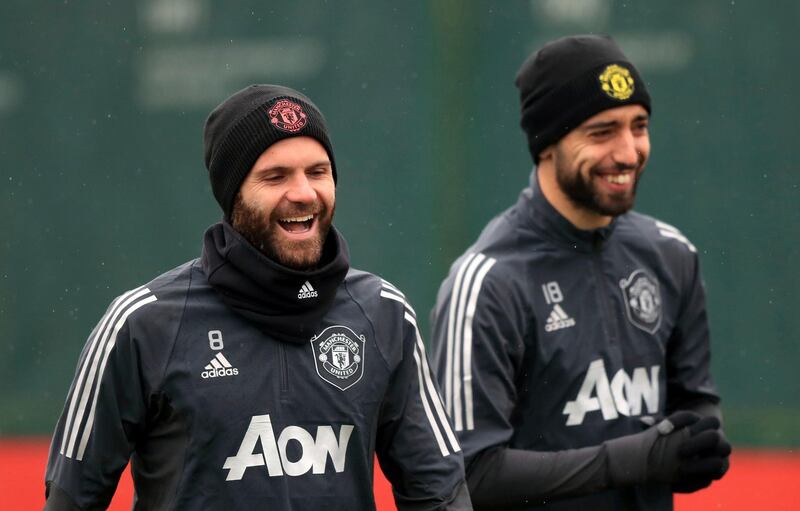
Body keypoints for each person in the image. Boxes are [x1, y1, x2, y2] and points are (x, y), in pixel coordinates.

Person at [44, 84, 472, 510]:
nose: (304, 192)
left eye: (318, 172)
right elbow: (72, 500)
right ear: (234, 196)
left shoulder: (384, 314)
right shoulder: (141, 325)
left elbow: (440, 495)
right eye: (275, 176)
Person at [429, 35, 730, 510]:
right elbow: (467, 476)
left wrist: (697, 445)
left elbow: (695, 399)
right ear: (548, 144)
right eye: (602, 131)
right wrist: (633, 460)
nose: (629, 152)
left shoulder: (673, 254)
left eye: (639, 126)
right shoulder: (488, 282)